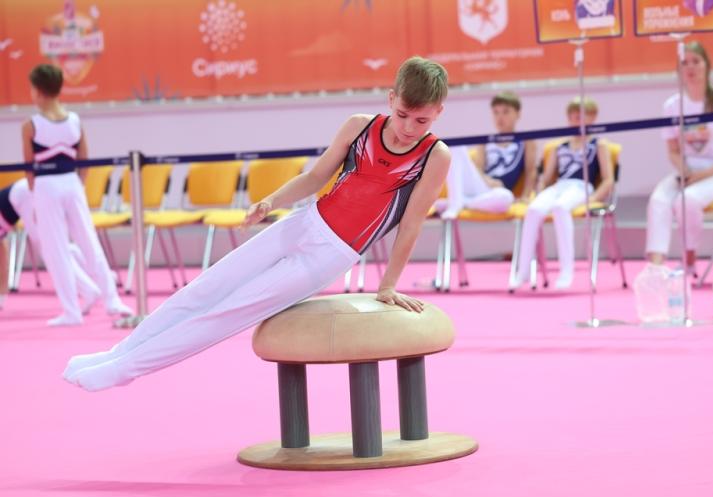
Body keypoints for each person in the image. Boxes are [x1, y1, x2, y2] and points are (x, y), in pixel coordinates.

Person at [63, 56, 452, 392]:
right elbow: (315, 178)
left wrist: (388, 285)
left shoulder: (434, 156)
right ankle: (120, 352)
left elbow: (411, 224)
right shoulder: (359, 126)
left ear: (438, 112)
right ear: (390, 99)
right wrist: (270, 202)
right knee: (203, 289)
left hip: (330, 255)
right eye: (403, 115)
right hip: (302, 223)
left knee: (228, 311)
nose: (408, 128)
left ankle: (126, 370)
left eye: (421, 120)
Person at [22, 64, 131, 326]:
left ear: (38, 91)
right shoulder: (74, 120)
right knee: (89, 242)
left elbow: (29, 168)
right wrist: (77, 185)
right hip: (72, 183)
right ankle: (112, 300)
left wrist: (36, 197)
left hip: (46, 185)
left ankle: (71, 311)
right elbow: (84, 161)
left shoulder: (30, 126)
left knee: (56, 248)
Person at [645, 41, 713, 274]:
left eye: (696, 61)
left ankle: (689, 260)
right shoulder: (672, 105)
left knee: (686, 200)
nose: (690, 67)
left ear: (707, 65)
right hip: (687, 171)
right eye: (684, 63)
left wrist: (702, 175)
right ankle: (655, 268)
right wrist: (686, 171)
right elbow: (673, 151)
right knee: (659, 200)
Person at [514, 96, 614, 290]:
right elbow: (547, 178)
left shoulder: (598, 145)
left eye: (581, 114)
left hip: (582, 187)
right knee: (533, 210)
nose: (576, 118)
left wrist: (594, 198)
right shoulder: (560, 146)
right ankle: (523, 271)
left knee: (560, 208)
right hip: (560, 186)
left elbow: (608, 179)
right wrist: (539, 192)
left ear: (592, 117)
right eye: (573, 115)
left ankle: (566, 271)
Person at [0, 178, 103, 311]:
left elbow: (3, 260)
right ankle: (96, 275)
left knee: (50, 250)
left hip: (27, 194)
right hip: (28, 192)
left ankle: (89, 289)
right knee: (56, 247)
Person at [435, 91, 537, 219]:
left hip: (497, 193)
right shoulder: (485, 141)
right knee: (456, 146)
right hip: (481, 185)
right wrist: (489, 181)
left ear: (518, 114)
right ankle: (456, 202)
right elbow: (478, 169)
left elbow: (531, 171)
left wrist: (526, 196)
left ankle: (460, 202)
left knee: (506, 197)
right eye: (496, 112)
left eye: (506, 112)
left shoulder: (526, 141)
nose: (500, 117)